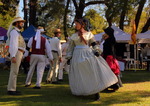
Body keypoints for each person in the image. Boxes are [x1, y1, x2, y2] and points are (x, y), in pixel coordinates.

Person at [66, 18, 118, 101]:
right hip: (77, 55)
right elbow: (71, 47)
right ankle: (83, 89)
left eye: (76, 24)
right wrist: (69, 57)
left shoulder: (89, 34)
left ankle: (96, 91)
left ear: (82, 25)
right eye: (75, 24)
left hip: (87, 53)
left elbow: (94, 44)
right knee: (80, 73)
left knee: (91, 71)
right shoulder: (74, 36)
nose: (75, 25)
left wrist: (97, 51)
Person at [7, 17, 26, 95]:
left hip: (18, 53)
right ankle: (11, 89)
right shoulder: (14, 32)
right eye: (21, 22)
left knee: (15, 71)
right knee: (14, 71)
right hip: (16, 52)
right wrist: (13, 56)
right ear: (17, 23)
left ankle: (12, 88)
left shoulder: (17, 32)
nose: (22, 23)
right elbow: (13, 45)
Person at [102, 27, 123, 92]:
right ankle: (112, 85)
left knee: (108, 71)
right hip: (110, 57)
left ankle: (111, 85)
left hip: (108, 57)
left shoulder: (109, 40)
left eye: (106, 32)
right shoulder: (111, 39)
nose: (105, 33)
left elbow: (108, 50)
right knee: (110, 72)